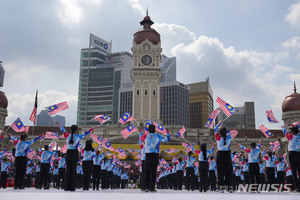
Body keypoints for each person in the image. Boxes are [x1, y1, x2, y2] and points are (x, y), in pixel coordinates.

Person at [55, 122, 94, 191]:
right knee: (73, 170)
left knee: (68, 170)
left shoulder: (67, 135)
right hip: (75, 153)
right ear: (76, 130)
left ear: (71, 129)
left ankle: (66, 187)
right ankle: (72, 187)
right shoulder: (78, 136)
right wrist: (91, 129)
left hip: (69, 153)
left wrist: (59, 124)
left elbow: (63, 130)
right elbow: (85, 133)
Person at [141, 124, 170, 192]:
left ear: (148, 130)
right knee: (153, 172)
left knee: (147, 172)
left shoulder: (145, 136)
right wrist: (167, 132)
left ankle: (147, 187)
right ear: (155, 130)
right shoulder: (158, 136)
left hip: (147, 155)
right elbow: (167, 139)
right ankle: (152, 188)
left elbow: (141, 141)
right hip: (155, 155)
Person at [214, 122, 233, 193]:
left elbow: (215, 129)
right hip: (227, 154)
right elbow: (228, 132)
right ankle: (230, 187)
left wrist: (219, 124)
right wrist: (223, 129)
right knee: (229, 171)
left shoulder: (218, 137)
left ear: (220, 133)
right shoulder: (229, 137)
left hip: (220, 154)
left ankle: (221, 187)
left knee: (220, 171)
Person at [283, 125, 300, 192]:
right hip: (299, 154)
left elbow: (285, 132)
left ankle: (297, 187)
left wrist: (283, 127)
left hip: (292, 154)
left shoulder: (290, 136)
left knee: (294, 171)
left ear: (292, 131)